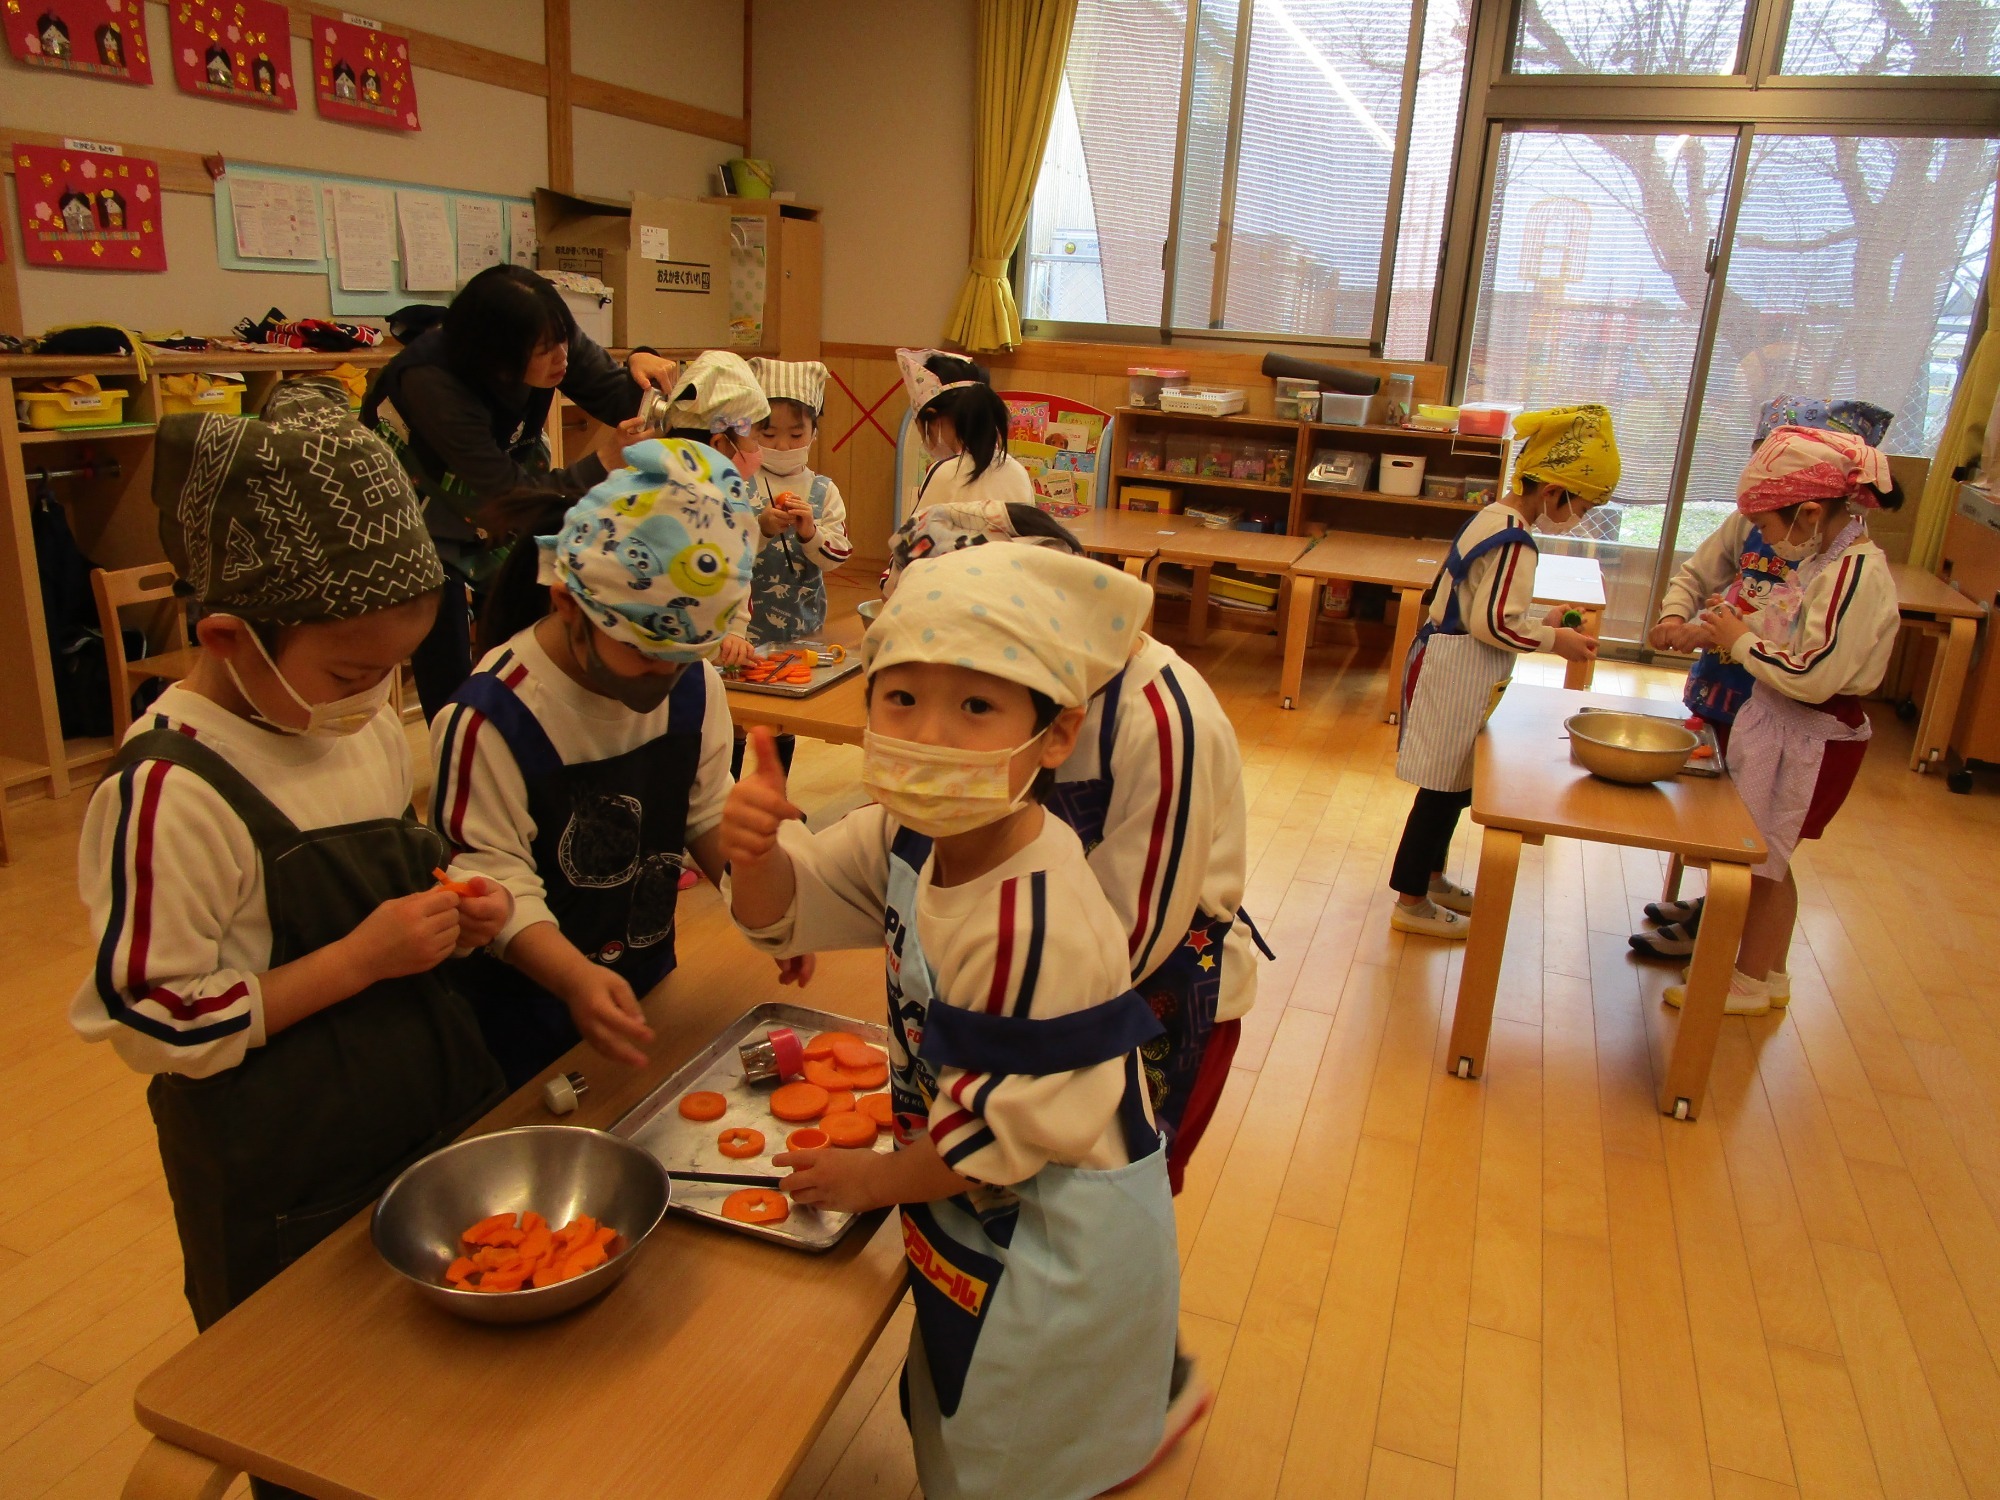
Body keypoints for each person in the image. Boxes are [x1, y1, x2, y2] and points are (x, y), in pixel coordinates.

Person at [68, 381, 509, 1451]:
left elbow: (389, 864)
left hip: (414, 1107)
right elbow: (155, 1018)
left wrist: (456, 903)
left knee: (432, 1401)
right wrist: (358, 961)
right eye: (355, 671)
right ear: (228, 635)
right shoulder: (168, 793)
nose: (376, 698)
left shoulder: (349, 725)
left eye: (394, 670)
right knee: (306, 1415)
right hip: (280, 1167)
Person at [721, 547, 1188, 1498]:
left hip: (1052, 1235)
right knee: (953, 1403)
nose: (930, 735)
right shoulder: (908, 834)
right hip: (964, 1197)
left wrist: (872, 1179)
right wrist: (759, 852)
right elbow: (789, 911)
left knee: (1016, 1452)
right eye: (901, 699)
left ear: (1055, 734)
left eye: (976, 706)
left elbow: (996, 1142)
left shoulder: (1032, 923)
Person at [882, 499, 1264, 1197]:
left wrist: (1005, 1000)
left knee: (1113, 1188)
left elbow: (1137, 927)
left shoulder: (1161, 719)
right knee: (1011, 1180)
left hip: (1155, 991)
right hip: (1032, 985)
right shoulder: (1007, 687)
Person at [429, 437, 756, 1089]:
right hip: (524, 1014)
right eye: (644, 654)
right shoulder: (490, 718)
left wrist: (766, 905)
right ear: (568, 606)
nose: (665, 677)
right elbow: (493, 876)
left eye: (684, 658)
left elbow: (706, 811)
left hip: (642, 983)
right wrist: (576, 978)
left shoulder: (695, 687)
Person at [1630, 393, 1893, 962]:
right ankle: (1751, 968)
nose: (1764, 537)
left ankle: (1751, 976)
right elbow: (1781, 625)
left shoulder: (1852, 573)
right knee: (1753, 855)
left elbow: (1814, 674)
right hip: (1781, 721)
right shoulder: (1826, 560)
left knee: (1764, 864)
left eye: (1767, 525)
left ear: (1809, 513)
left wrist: (1738, 639)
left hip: (1812, 731)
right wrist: (1720, 626)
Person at [362, 264, 679, 719]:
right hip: (418, 490)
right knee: (438, 621)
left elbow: (616, 397)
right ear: (497, 356)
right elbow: (512, 497)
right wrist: (605, 461)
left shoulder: (548, 335)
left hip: (504, 474)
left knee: (522, 601)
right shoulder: (431, 382)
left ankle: (520, 723)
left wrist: (641, 364)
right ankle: (455, 734)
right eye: (545, 351)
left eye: (564, 340)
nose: (562, 358)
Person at [1388, 404, 1618, 939]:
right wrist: (1555, 640)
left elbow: (1490, 607)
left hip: (1449, 662)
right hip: (1457, 670)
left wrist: (1542, 621)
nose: (1580, 516)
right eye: (1582, 505)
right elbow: (1493, 624)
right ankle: (1411, 901)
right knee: (1440, 792)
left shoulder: (1495, 516)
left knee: (1451, 784)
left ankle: (1431, 878)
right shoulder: (1518, 540)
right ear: (1554, 491)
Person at [722, 357, 854, 778]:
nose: (782, 445)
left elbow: (837, 554)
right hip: (742, 628)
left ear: (814, 432)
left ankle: (774, 792)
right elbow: (721, 549)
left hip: (800, 623)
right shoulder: (736, 482)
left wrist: (810, 532)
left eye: (796, 434)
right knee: (735, 712)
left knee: (783, 713)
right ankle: (727, 795)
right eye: (768, 433)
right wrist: (759, 527)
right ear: (748, 431)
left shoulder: (823, 490)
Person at [899, 348, 1036, 518]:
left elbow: (916, 533)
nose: (926, 438)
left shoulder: (945, 473)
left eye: (924, 429)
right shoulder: (1018, 472)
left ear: (933, 418)